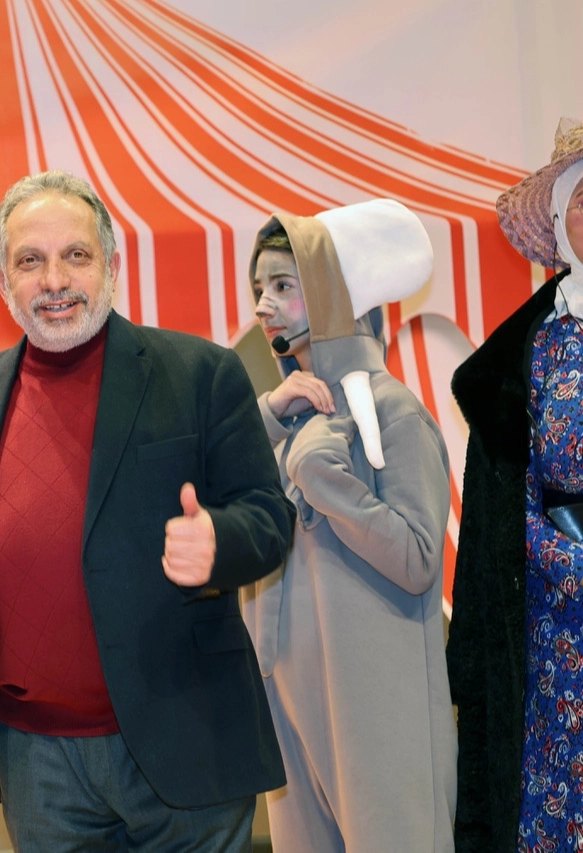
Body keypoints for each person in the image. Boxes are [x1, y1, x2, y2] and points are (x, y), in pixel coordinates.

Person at [0, 170, 293, 852]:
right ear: (1, 281)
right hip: (35, 759)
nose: (55, 280)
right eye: (30, 260)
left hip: (185, 735)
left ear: (111, 267)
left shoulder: (199, 374)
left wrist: (221, 540)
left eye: (76, 255)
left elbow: (267, 515)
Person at [239, 199, 456, 851]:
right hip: (288, 705)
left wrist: (326, 482)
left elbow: (419, 558)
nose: (263, 306)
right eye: (258, 289)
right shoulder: (287, 419)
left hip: (377, 712)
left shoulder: (393, 412)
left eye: (283, 285)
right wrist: (268, 419)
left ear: (335, 294)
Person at [448, 117, 583, 852]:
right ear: (558, 222)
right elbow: (506, 499)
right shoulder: (531, 348)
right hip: (553, 626)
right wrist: (560, 559)